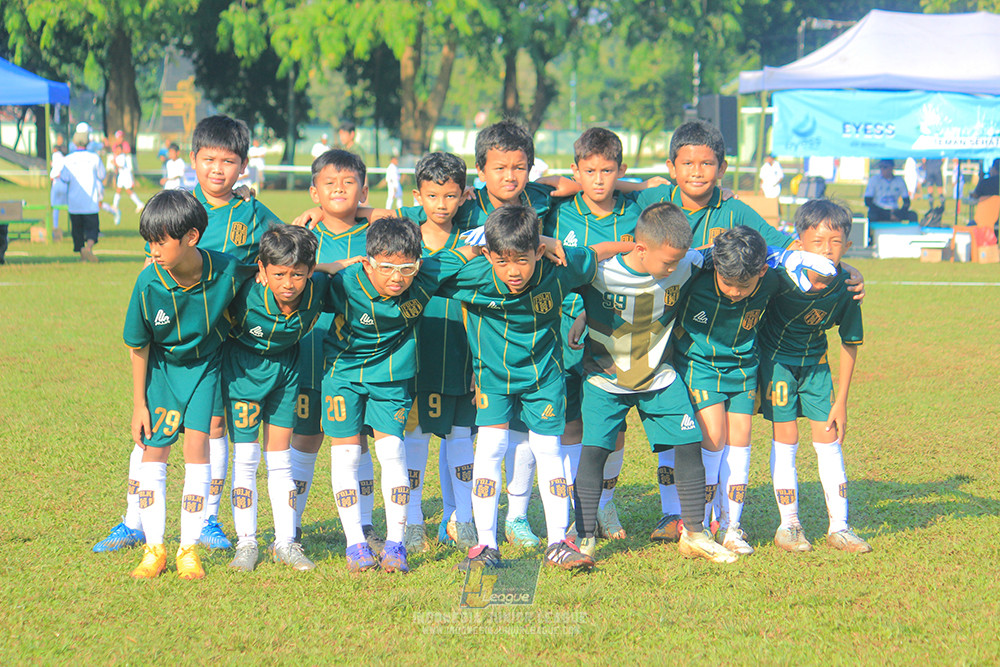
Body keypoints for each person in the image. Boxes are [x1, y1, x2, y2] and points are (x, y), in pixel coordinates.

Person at [93, 114, 284, 555]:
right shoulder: (175, 204)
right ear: (193, 159)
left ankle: (209, 519)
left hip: (221, 343)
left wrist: (353, 213)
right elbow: (151, 263)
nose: (218, 170)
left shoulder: (252, 212)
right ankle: (133, 520)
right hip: (169, 340)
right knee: (150, 433)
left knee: (213, 426)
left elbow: (287, 245)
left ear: (244, 166)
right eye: (209, 159)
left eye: (229, 161)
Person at [440, 205, 630, 572]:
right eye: (502, 261)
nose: (513, 271)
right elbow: (430, 267)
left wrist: (632, 247)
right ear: (488, 255)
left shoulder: (559, 266)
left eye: (522, 260)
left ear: (539, 253)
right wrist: (475, 245)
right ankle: (486, 544)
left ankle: (559, 541)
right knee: (491, 448)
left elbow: (596, 254)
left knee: (548, 450)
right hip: (493, 381)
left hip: (544, 377)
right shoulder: (472, 274)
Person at [568, 201, 738, 565]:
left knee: (689, 444)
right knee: (594, 452)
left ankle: (694, 532)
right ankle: (583, 538)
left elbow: (745, 251)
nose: (674, 269)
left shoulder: (685, 262)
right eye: (668, 262)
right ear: (640, 248)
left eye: (679, 261)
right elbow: (550, 256)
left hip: (659, 376)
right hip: (604, 379)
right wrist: (584, 312)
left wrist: (836, 267)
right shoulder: (598, 272)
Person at [321, 217, 474, 573]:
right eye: (386, 267)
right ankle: (355, 544)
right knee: (345, 454)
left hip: (391, 377)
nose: (397, 277)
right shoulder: (343, 284)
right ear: (367, 262)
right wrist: (330, 265)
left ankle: (395, 544)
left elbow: (469, 250)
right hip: (342, 375)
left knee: (392, 451)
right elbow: (296, 270)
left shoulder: (425, 276)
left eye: (406, 268)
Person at [672, 226, 836, 556]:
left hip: (743, 366)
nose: (734, 291)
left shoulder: (772, 278)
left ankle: (731, 526)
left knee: (741, 439)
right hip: (699, 364)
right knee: (713, 437)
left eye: (743, 285)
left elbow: (823, 273)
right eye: (727, 282)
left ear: (761, 272)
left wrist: (844, 272)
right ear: (716, 268)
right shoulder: (695, 273)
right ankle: (699, 524)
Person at [124, 189, 257, 579]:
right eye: (148, 241)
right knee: (154, 451)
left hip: (205, 371)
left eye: (160, 241)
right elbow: (138, 346)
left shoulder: (228, 270)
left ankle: (188, 549)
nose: (152, 250)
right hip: (163, 375)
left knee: (198, 448)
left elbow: (272, 269)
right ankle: (153, 549)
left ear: (192, 238)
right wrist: (139, 405)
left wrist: (330, 266)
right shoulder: (148, 282)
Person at [223, 225, 357, 573]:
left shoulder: (317, 290)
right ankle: (246, 542)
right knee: (247, 459)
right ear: (262, 271)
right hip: (244, 375)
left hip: (287, 373)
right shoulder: (241, 291)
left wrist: (336, 266)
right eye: (279, 274)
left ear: (310, 272)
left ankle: (285, 541)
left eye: (298, 274)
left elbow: (347, 278)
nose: (288, 283)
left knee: (280, 458)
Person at [544, 127, 644, 542]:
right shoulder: (558, 211)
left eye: (608, 171)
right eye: (590, 171)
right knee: (570, 424)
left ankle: (605, 506)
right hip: (561, 329)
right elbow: (535, 184)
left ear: (620, 171)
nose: (599, 179)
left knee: (612, 425)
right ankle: (575, 507)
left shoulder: (637, 211)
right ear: (576, 170)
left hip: (617, 330)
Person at [288, 150, 389, 552]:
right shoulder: (303, 236)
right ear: (314, 191)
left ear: (363, 190)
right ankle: (289, 526)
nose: (339, 190)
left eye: (348, 183)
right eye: (329, 184)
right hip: (311, 351)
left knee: (356, 440)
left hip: (359, 357)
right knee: (306, 436)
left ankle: (363, 525)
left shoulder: (376, 233)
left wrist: (374, 212)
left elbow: (395, 221)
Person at [758, 199, 871, 554]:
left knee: (830, 440)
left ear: (847, 246)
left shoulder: (847, 287)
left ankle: (840, 527)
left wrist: (842, 401)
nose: (826, 250)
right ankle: (789, 525)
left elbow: (850, 342)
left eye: (835, 243)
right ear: (799, 243)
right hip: (776, 364)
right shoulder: (778, 277)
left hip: (816, 367)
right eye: (817, 241)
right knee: (786, 439)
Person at [394, 153, 477, 552]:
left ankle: (461, 519)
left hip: (461, 350)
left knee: (460, 436)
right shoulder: (404, 236)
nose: (441, 204)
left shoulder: (476, 236)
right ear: (418, 196)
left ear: (463, 196)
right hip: (414, 353)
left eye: (450, 195)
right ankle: (412, 521)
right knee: (416, 436)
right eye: (432, 195)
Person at [59, 129, 106, 262]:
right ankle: (89, 248)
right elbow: (102, 175)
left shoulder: (68, 159)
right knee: (92, 230)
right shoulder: (94, 158)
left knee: (77, 231)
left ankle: (82, 254)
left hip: (74, 203)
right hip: (90, 202)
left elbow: (64, 178)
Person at [111, 142, 145, 220]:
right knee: (118, 190)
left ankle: (139, 204)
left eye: (119, 149)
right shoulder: (118, 156)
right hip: (121, 175)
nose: (117, 150)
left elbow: (121, 166)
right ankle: (115, 205)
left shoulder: (122, 156)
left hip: (125, 175)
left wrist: (114, 163)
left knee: (128, 190)